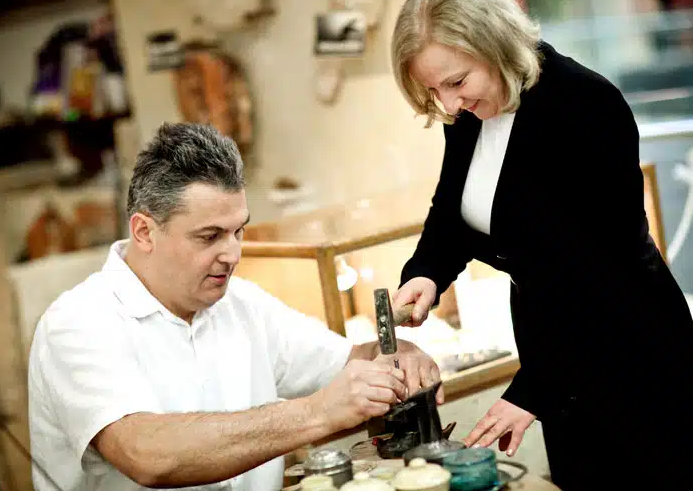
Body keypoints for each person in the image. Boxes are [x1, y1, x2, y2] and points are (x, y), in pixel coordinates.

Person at [389, 0, 693, 491]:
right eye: (433, 90)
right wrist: (427, 272)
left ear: (495, 44)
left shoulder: (586, 103)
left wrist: (532, 390)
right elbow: (453, 208)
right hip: (554, 349)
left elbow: (602, 273)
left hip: (631, 351)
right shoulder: (472, 113)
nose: (449, 104)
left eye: (456, 82)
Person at [27, 122, 444, 491]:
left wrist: (396, 358)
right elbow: (146, 455)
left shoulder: (242, 303)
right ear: (144, 232)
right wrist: (317, 413)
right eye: (209, 237)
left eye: (238, 232)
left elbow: (346, 363)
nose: (232, 254)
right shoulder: (78, 324)